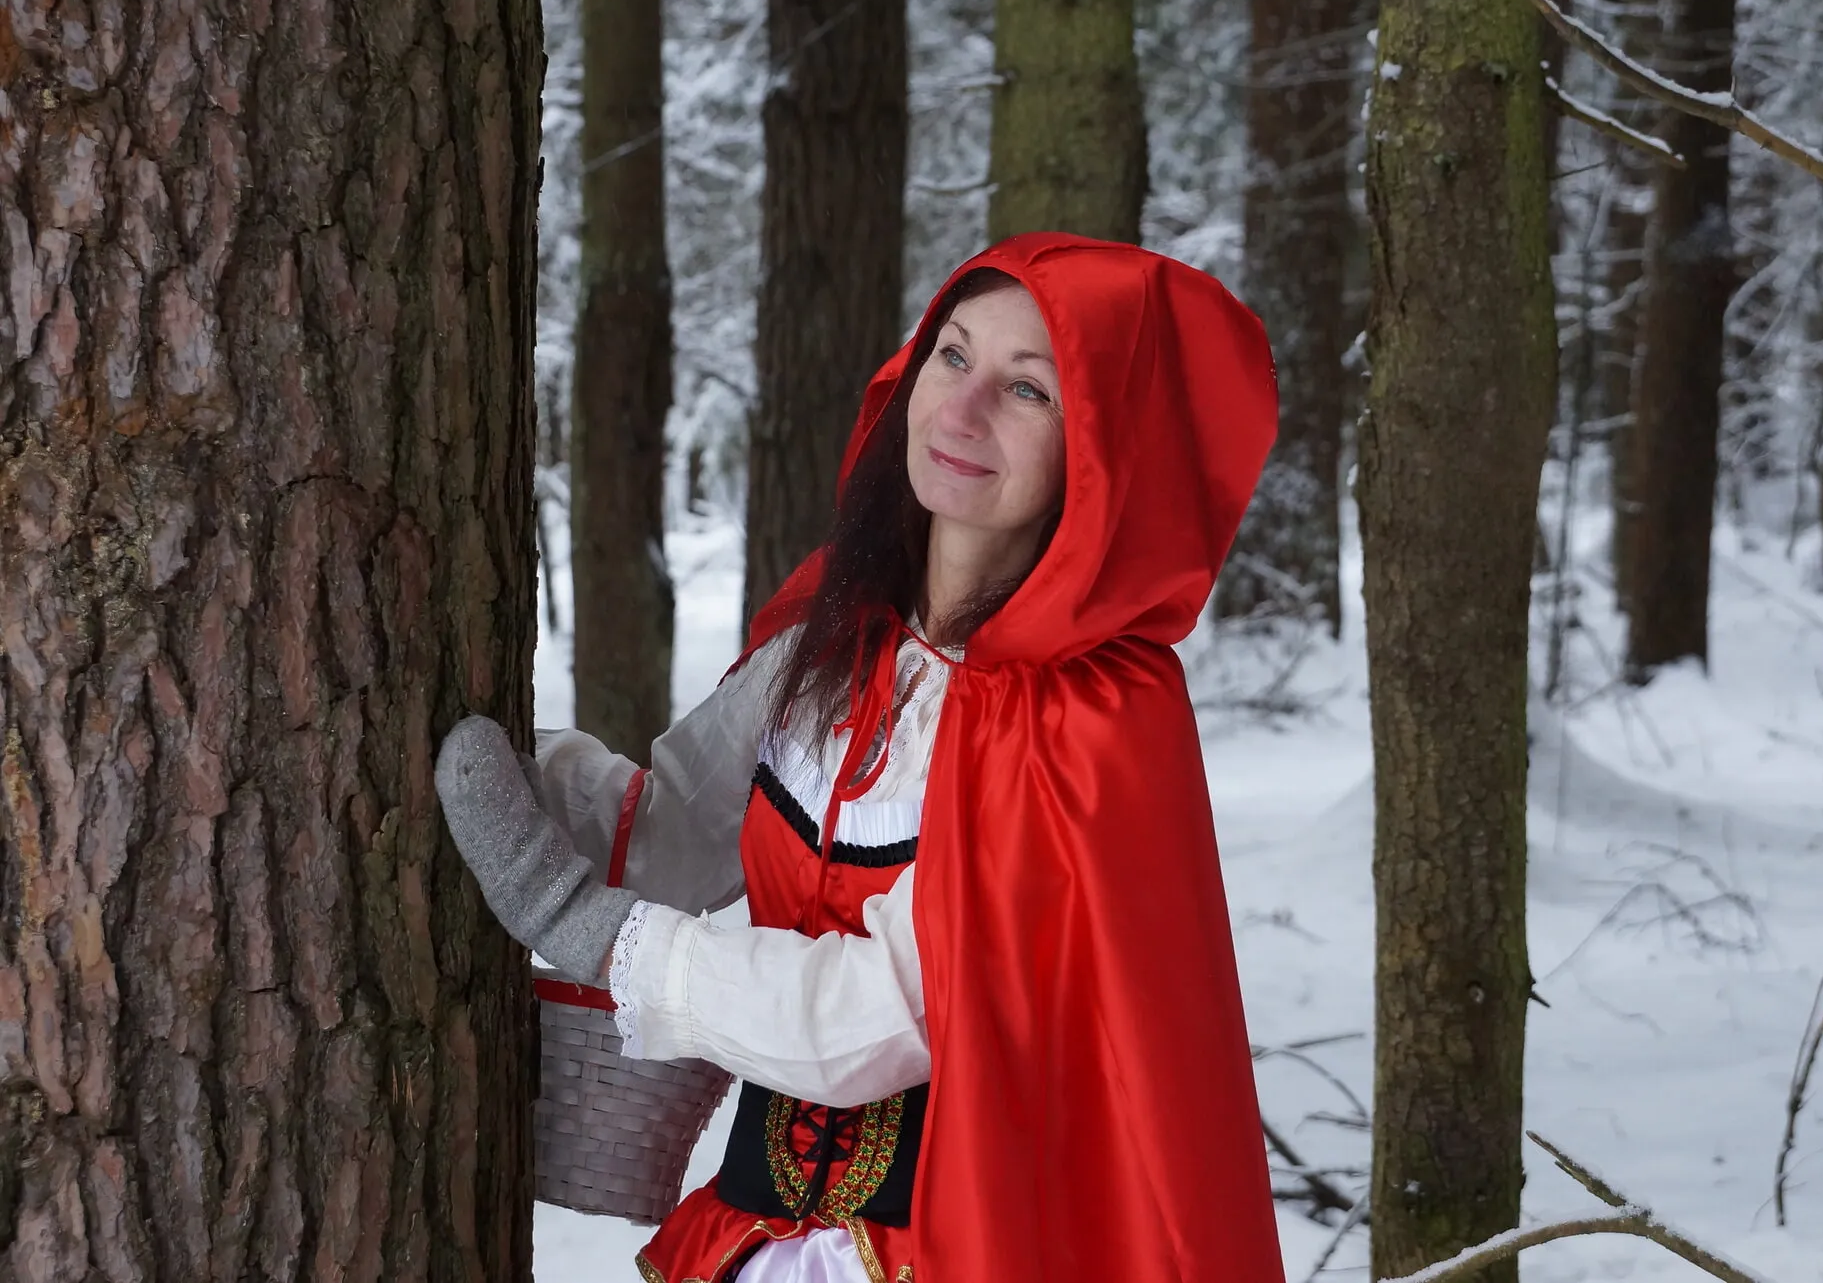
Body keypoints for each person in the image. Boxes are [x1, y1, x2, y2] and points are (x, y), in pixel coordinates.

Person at [436, 233, 1287, 1283]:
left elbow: (884, 1016)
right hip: (758, 1232)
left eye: (1028, 391)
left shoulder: (1077, 727)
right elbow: (670, 836)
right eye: (953, 356)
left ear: (1104, 449)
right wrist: (503, 770)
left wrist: (585, 929)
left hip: (972, 1242)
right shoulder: (833, 645)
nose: (963, 411)